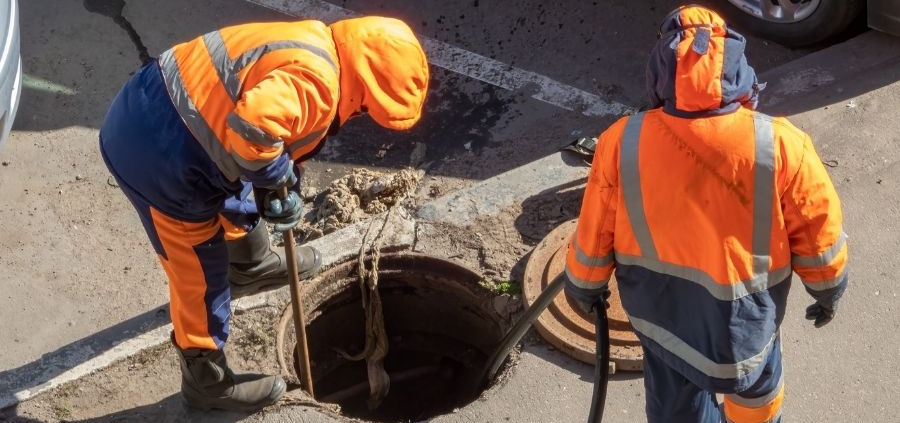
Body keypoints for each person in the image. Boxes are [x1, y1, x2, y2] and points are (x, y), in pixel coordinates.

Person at [99, 17, 429, 412]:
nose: (361, 115)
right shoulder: (320, 83)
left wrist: (279, 183)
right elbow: (254, 129)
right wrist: (276, 178)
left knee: (238, 193)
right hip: (160, 158)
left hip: (155, 107)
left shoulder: (313, 39)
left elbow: (264, 126)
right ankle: (206, 381)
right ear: (364, 86)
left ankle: (251, 266)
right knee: (199, 276)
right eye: (367, 108)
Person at [564, 5, 847, 423]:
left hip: (664, 323)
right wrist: (828, 290)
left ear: (660, 72)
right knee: (757, 403)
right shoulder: (780, 142)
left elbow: (596, 228)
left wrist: (582, 286)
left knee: (677, 411)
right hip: (747, 326)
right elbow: (817, 227)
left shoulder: (623, 140)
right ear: (739, 71)